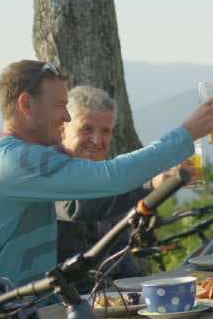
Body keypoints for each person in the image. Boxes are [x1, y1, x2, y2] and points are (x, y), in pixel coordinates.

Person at [0, 60, 213, 290]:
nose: (66, 117)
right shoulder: (14, 160)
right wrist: (186, 134)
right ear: (26, 105)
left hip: (27, 312)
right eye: (60, 105)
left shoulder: (25, 160)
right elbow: (110, 179)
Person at [54, 86, 174, 291]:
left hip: (108, 299)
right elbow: (80, 207)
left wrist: (142, 290)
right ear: (63, 129)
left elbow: (120, 252)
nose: (97, 140)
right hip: (61, 304)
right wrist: (150, 185)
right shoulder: (50, 170)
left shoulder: (104, 176)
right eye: (87, 129)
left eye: (105, 131)